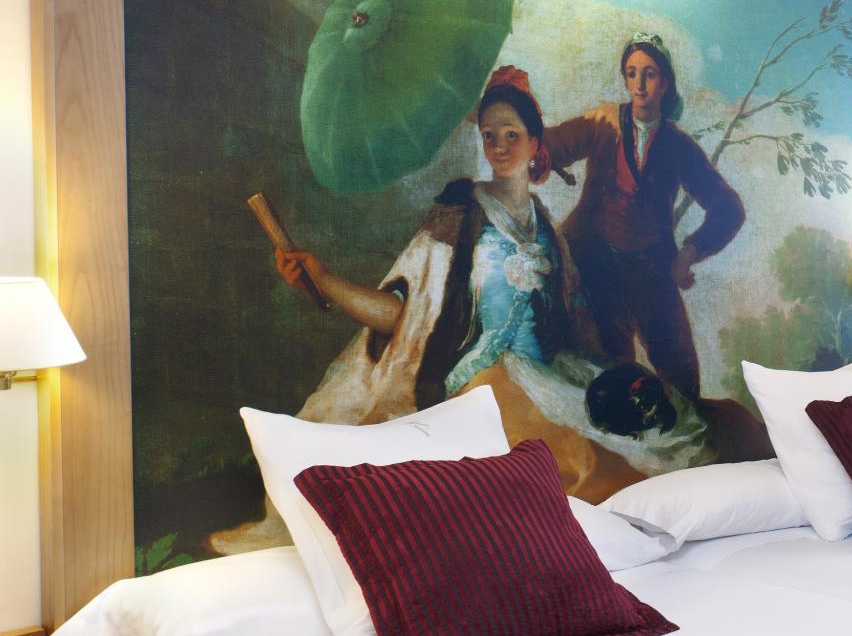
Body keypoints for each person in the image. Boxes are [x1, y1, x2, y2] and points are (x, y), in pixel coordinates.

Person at [217, 67, 711, 552]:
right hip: (481, 383)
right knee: (554, 467)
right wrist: (324, 280)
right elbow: (400, 315)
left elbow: (579, 326)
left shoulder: (546, 229)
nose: (499, 146)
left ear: (536, 144)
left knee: (631, 451)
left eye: (512, 135)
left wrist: (615, 381)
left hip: (552, 376)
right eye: (490, 135)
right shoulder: (458, 215)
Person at [546, 34, 743, 403]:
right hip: (596, 263)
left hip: (653, 269)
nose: (639, 84)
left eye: (649, 74)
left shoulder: (678, 145)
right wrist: (526, 141)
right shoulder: (604, 121)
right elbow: (549, 145)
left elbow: (729, 208)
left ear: (664, 83)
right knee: (610, 378)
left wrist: (689, 252)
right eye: (631, 73)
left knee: (683, 384)